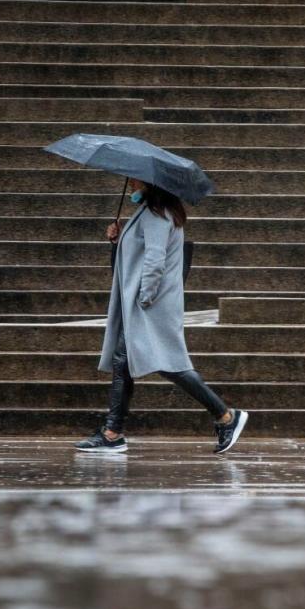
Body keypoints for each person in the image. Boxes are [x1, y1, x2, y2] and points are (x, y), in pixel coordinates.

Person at [74, 178, 248, 455]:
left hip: (151, 303)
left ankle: (226, 416)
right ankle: (113, 432)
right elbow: (138, 256)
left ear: (150, 184)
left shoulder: (157, 214)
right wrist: (117, 241)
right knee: (125, 360)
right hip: (149, 302)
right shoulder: (150, 212)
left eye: (135, 180)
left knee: (169, 364)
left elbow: (155, 260)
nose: (130, 184)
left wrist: (144, 298)